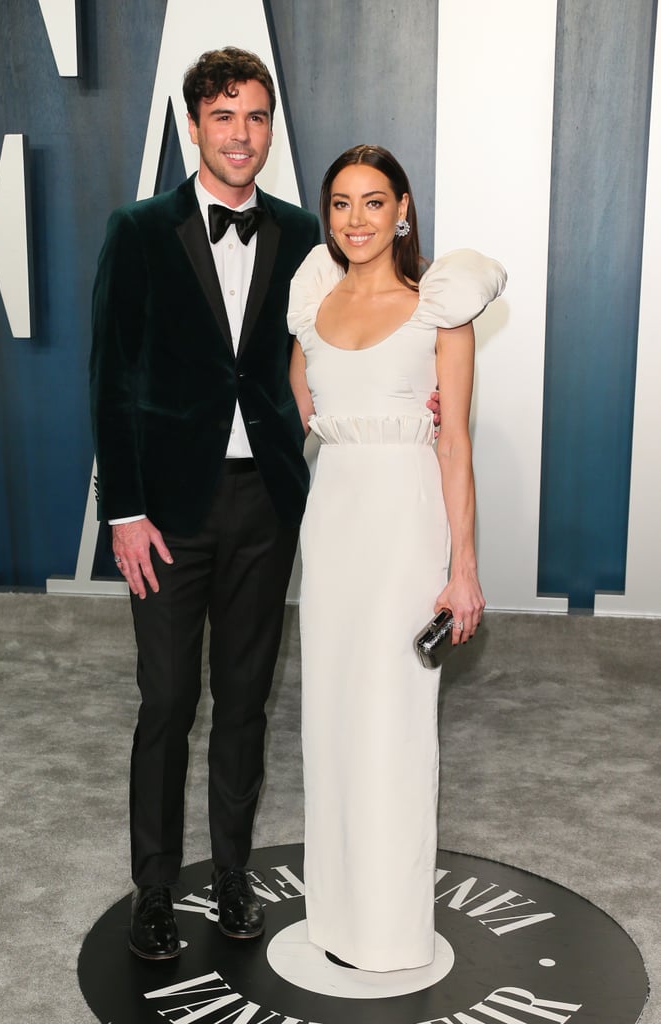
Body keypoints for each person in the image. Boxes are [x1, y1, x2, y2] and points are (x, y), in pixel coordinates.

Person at [89, 47, 322, 960]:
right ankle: (154, 887)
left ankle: (230, 873)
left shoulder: (303, 232)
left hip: (265, 501)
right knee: (167, 701)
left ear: (270, 129)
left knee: (246, 701)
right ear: (195, 125)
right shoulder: (140, 229)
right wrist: (125, 510)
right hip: (167, 515)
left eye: (257, 117)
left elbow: (339, 343)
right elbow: (111, 377)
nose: (241, 133)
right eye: (224, 116)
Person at [288, 145, 506, 972]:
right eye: (341, 204)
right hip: (334, 523)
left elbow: (454, 443)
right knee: (333, 718)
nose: (356, 221)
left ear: (403, 208)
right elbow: (303, 414)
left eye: (373, 203)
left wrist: (464, 568)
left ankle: (389, 929)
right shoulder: (312, 303)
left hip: (406, 524)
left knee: (393, 722)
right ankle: (336, 916)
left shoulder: (438, 306)